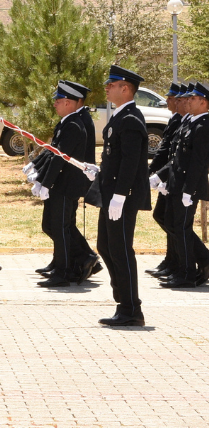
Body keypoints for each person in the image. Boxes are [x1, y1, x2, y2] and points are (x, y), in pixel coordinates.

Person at [95, 65, 150, 327]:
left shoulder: (130, 119)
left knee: (120, 249)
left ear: (125, 88)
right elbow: (115, 158)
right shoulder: (121, 116)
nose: (107, 87)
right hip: (111, 193)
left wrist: (120, 195)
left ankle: (131, 308)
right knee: (106, 246)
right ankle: (123, 303)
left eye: (111, 84)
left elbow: (131, 162)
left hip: (121, 197)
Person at [28, 81, 98, 287]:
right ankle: (77, 260)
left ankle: (65, 271)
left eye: (58, 101)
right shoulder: (67, 122)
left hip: (67, 184)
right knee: (54, 226)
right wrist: (38, 171)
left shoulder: (74, 124)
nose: (55, 104)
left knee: (60, 228)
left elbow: (60, 158)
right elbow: (53, 152)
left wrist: (45, 183)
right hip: (61, 183)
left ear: (68, 103)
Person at [160, 81, 209, 288]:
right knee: (177, 226)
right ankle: (185, 268)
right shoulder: (192, 122)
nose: (187, 101)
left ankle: (187, 273)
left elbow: (198, 162)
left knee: (181, 228)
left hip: (189, 187)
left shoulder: (204, 125)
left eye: (192, 98)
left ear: (204, 102)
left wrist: (189, 191)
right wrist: (163, 178)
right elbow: (178, 158)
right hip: (178, 184)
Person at [146, 83, 186, 280]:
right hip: (166, 177)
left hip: (175, 179)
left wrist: (158, 175)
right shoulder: (175, 119)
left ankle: (188, 259)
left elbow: (173, 156)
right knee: (165, 218)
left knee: (170, 220)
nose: (169, 101)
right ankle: (173, 260)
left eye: (172, 98)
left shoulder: (183, 121)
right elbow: (164, 152)